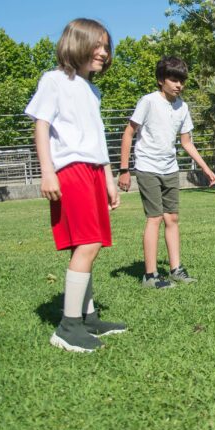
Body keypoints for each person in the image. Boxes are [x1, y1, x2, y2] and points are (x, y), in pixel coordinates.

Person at [26, 18, 126, 353]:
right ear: (76, 43)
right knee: (88, 243)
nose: (103, 53)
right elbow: (41, 126)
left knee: (89, 245)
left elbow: (97, 138)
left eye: (106, 47)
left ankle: (88, 316)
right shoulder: (54, 80)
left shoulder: (92, 89)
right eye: (97, 46)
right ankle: (68, 328)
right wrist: (47, 171)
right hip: (71, 170)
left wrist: (109, 178)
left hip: (95, 172)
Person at [117, 56, 215, 289]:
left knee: (172, 218)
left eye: (181, 80)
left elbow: (186, 142)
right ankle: (150, 276)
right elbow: (128, 134)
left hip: (170, 168)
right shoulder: (148, 101)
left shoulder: (183, 107)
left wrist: (206, 167)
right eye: (173, 79)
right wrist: (124, 170)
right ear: (161, 80)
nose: (178, 85)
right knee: (155, 218)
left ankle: (176, 270)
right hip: (147, 167)